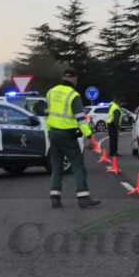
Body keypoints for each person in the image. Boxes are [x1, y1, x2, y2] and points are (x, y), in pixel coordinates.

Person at [45, 68, 100, 209]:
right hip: (67, 135)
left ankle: (55, 199)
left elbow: (47, 113)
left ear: (63, 77)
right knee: (78, 165)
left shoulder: (50, 92)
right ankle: (83, 198)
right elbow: (81, 119)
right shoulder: (73, 95)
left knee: (57, 166)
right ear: (75, 79)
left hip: (53, 133)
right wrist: (90, 136)